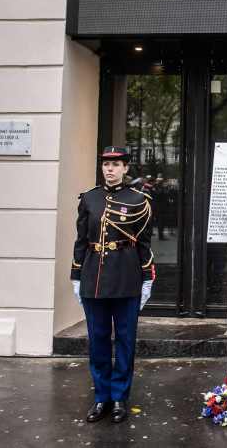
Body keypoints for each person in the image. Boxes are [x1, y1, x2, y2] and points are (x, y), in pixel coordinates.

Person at [70, 146, 156, 424]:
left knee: (125, 341)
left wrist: (147, 278)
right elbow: (81, 239)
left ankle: (119, 397)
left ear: (126, 169)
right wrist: (75, 274)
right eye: (106, 164)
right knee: (97, 342)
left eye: (116, 164)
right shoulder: (90, 199)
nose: (110, 169)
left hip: (126, 277)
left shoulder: (139, 200)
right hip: (93, 278)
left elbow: (144, 243)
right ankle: (101, 397)